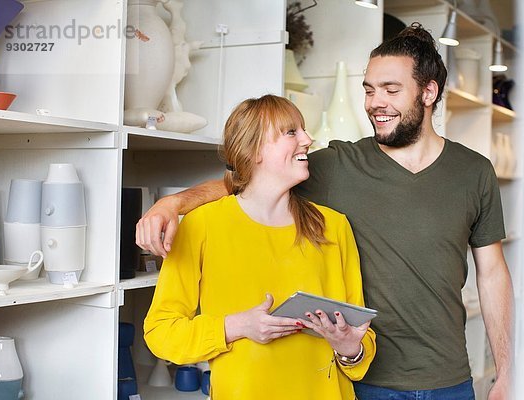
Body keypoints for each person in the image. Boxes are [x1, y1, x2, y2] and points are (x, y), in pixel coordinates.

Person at [137, 24, 514, 400]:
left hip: (446, 377)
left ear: (428, 92)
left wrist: (506, 372)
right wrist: (173, 203)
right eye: (368, 90)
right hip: (366, 386)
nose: (375, 102)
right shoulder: (337, 165)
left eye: (391, 90)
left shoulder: (472, 172)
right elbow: (249, 180)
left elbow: (493, 273)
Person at [143, 94, 377, 400]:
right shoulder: (202, 225)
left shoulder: (333, 226)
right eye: (291, 132)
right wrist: (235, 326)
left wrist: (350, 349)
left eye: (302, 130)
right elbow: (161, 333)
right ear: (252, 150)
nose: (307, 139)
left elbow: (361, 341)